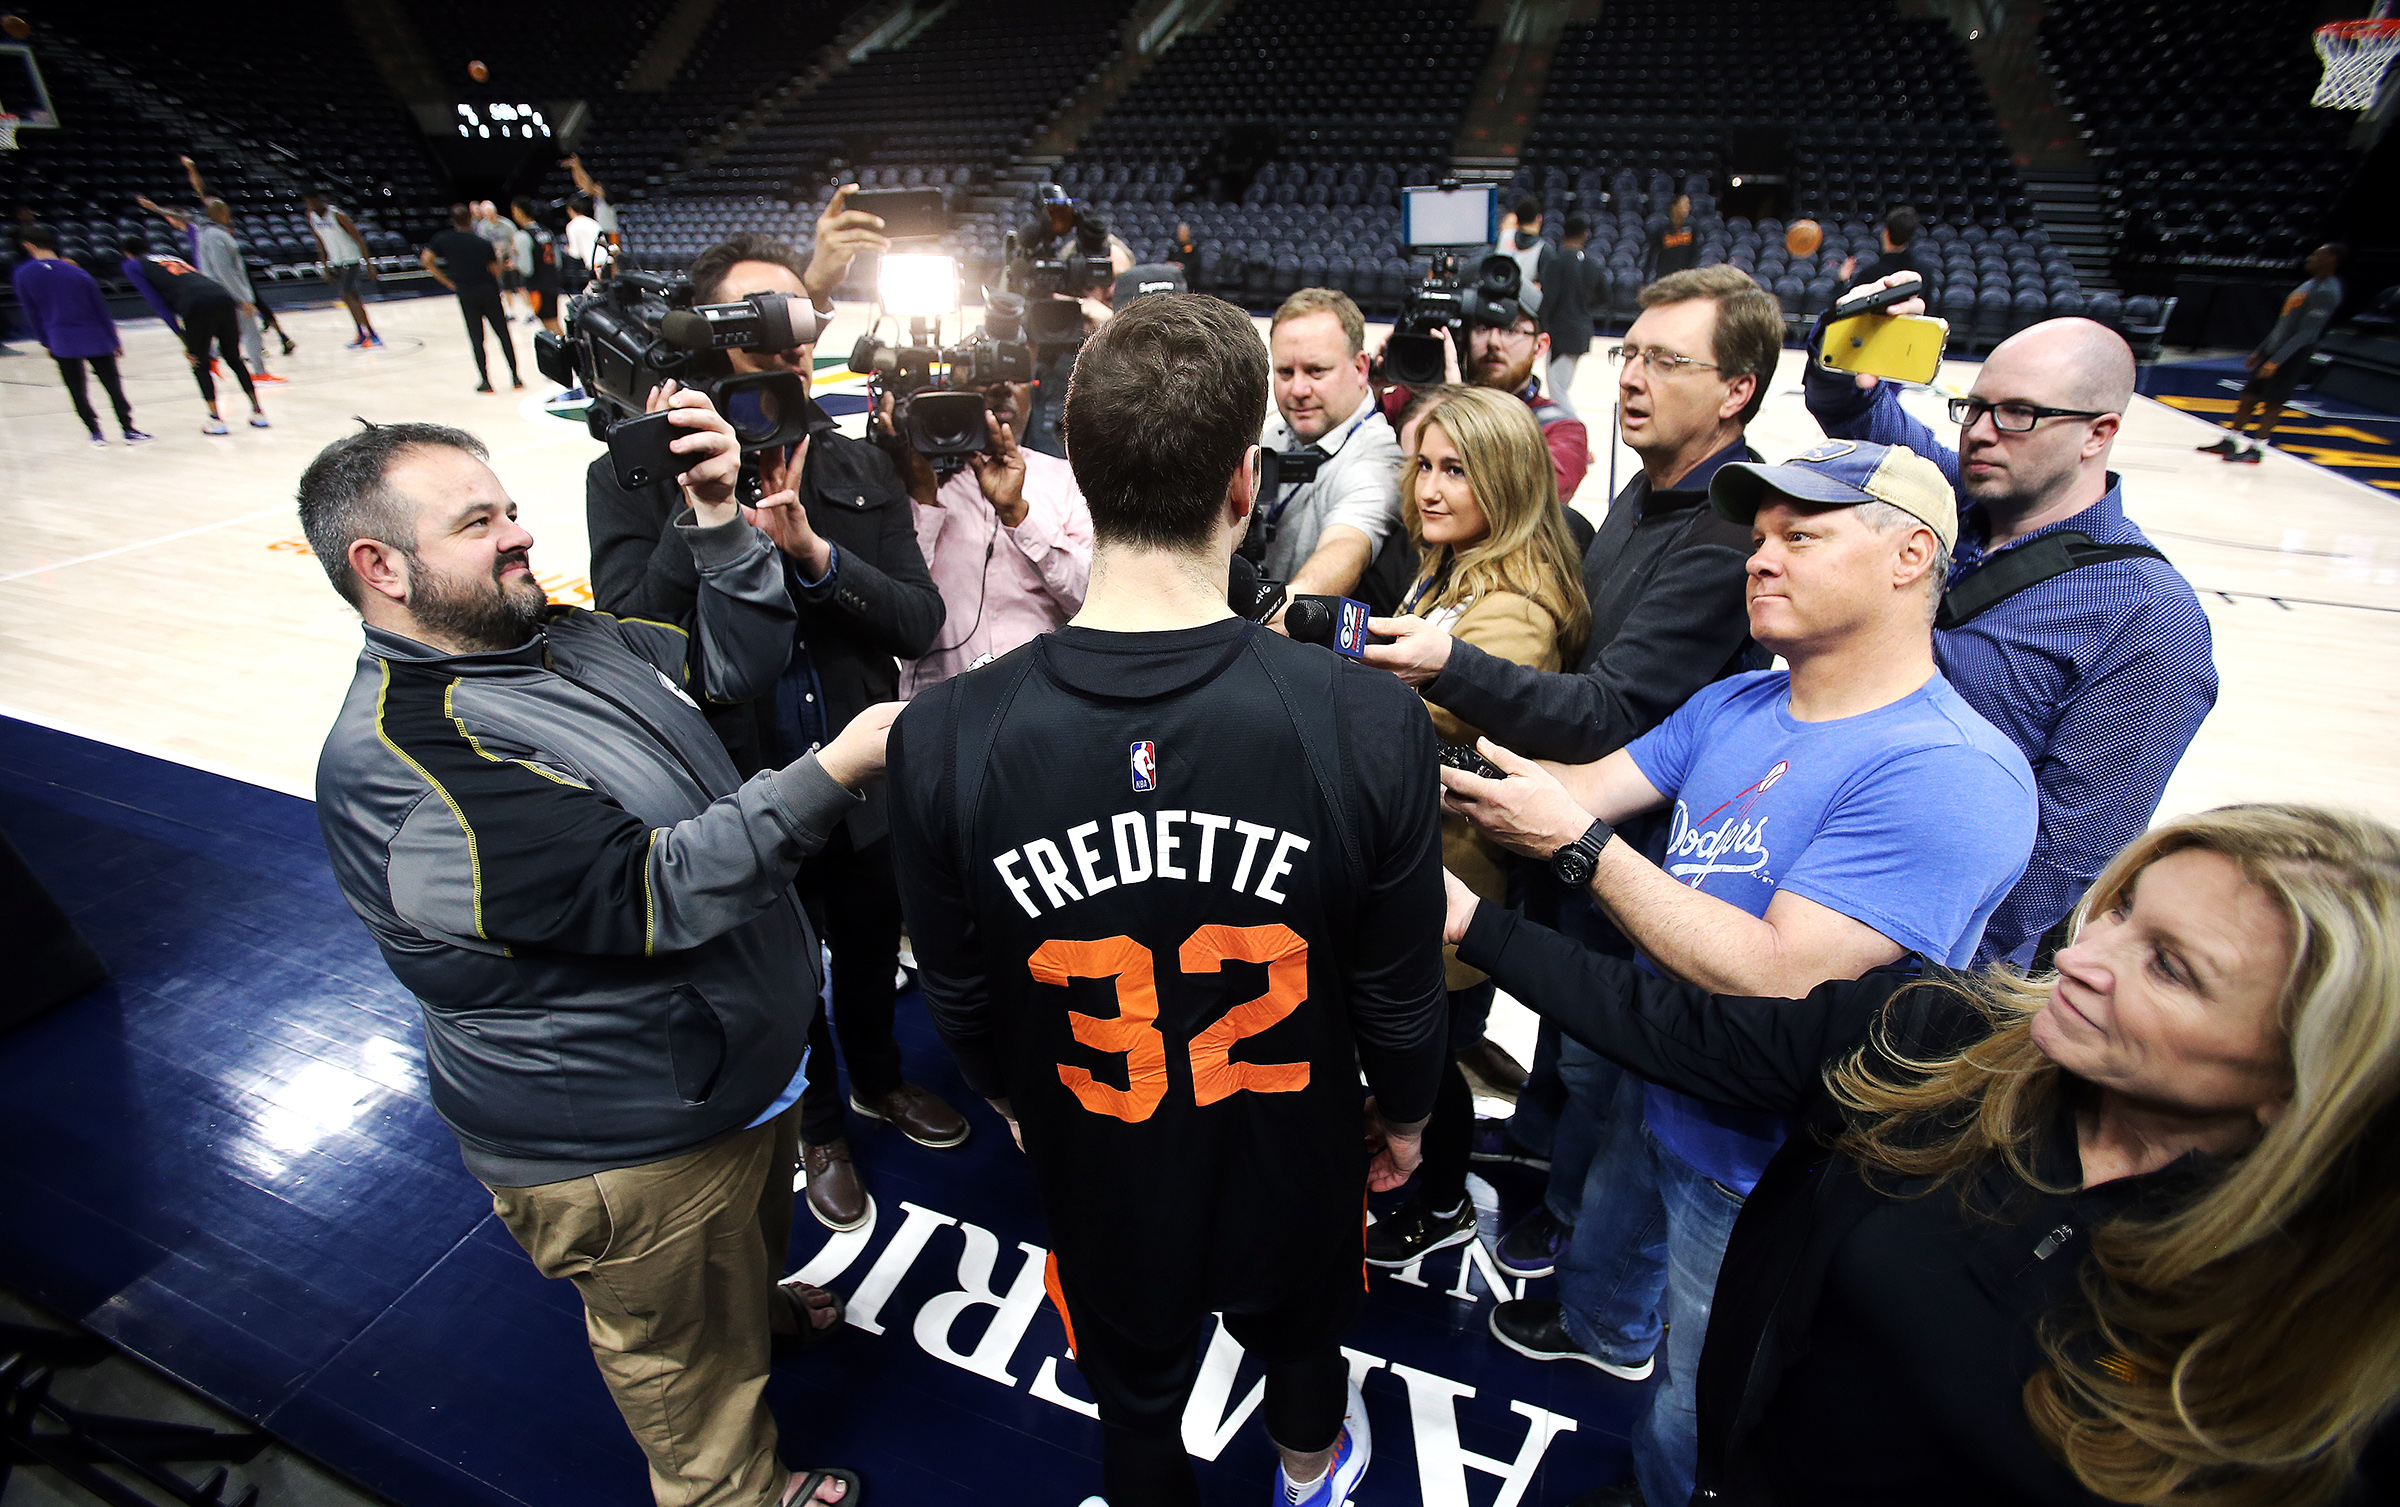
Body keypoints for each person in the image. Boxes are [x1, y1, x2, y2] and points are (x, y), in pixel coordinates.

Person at [887, 291, 1447, 1507]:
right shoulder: (1368, 717)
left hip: (1099, 1139)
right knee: (1302, 1352)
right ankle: (1313, 1480)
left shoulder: (939, 737)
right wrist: (1405, 1117)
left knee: (1137, 1394)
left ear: (1076, 474)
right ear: (1246, 481)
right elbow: (1399, 995)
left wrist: (1005, 1095)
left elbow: (961, 993)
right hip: (1293, 1146)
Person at [1441, 802, 2400, 1507]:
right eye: (2121, 910)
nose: (2079, 955)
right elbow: (1698, 1034)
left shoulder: (2306, 1318)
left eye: (2170, 967)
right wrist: (1473, 925)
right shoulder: (1948, 1037)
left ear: (2301, 1077)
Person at [1442, 438, 2038, 1506]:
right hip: (1658, 1066)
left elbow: (1778, 979)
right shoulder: (1737, 706)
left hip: (1768, 1157)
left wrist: (1575, 843)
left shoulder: (1951, 772)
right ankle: (1595, 1331)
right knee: (1614, 1254)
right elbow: (1586, 784)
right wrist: (1416, 760)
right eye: (1759, 537)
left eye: (1801, 536)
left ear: (1910, 557)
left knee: (1701, 1396)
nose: (1759, 559)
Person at [306, 402, 873, 1507]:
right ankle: (728, 1491)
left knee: (732, 1253)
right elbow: (648, 887)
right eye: (480, 522)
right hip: (628, 1139)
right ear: (381, 565)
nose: (520, 533)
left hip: (720, 1081)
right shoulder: (408, 762)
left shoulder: (559, 637)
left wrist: (716, 520)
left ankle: (749, 1308)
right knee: (671, 1350)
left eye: (511, 508)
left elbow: (728, 659)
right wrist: (837, 768)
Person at [1366, 265, 1779, 1258]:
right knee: (1557, 1036)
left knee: (1599, 1058)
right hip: (1556, 836)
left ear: (1738, 389)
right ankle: (1541, 1155)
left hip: (1632, 849)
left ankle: (1569, 1239)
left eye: (1667, 360)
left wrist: (1445, 661)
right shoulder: (1649, 491)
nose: (1632, 377)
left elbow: (1606, 708)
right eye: (1630, 353)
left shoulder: (1725, 530)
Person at [587, 228, 960, 1239]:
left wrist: (811, 552)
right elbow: (633, 639)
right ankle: (822, 1129)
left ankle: (881, 1082)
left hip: (866, 782)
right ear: (708, 340)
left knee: (872, 950)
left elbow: (919, 622)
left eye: (799, 317)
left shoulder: (854, 458)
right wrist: (700, 514)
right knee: (786, 983)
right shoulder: (629, 475)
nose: (791, 338)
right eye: (759, 321)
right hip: (740, 791)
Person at [1807, 281, 2218, 968]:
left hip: (1922, 956)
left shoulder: (2150, 619)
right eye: (1975, 408)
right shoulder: (1956, 502)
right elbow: (1854, 405)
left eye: (2020, 413)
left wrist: (1911, 972)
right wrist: (1845, 343)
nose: (1983, 432)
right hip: (1820, 867)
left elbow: (2066, 859)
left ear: (2099, 432)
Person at [1361, 385, 1589, 1268]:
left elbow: (1459, 721)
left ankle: (1444, 1199)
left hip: (1456, 879)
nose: (1430, 487)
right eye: (1424, 464)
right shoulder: (1459, 562)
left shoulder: (1518, 600)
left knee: (1433, 1061)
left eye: (1456, 470)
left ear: (1506, 477)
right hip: (1422, 858)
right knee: (1410, 1050)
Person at [885, 372, 1092, 695]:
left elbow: (1088, 598)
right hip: (939, 708)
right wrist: (923, 499)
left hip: (1042, 703)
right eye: (986, 376)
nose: (1003, 385)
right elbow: (892, 610)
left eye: (1017, 375)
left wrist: (1018, 516)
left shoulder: (1067, 479)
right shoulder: (909, 478)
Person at [1256, 287, 1406, 600]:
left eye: (1316, 371)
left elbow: (1347, 548)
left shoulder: (1379, 457)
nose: (1298, 389)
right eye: (1285, 372)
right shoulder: (1274, 435)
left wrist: (1280, 613)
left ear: (1360, 368)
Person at [2201, 242, 2348, 463]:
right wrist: (2262, 351)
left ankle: (2257, 448)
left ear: (2331, 260)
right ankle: (2231, 439)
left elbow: (2306, 333)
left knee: (2273, 402)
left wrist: (2277, 360)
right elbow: (2285, 323)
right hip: (2274, 351)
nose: (2310, 258)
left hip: (2292, 354)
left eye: (2317, 255)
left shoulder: (2328, 291)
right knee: (2248, 396)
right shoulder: (2309, 285)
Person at [11, 224, 148, 445]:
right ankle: (128, 429)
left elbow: (32, 312)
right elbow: (100, 308)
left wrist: (45, 341)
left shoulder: (23, 275)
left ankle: (95, 433)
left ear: (28, 245)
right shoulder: (77, 272)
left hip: (60, 338)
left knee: (76, 389)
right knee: (113, 385)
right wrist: (113, 339)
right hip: (95, 334)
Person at [119, 237, 269, 436]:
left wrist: (182, 337)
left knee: (199, 362)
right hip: (222, 296)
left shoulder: (132, 265)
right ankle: (258, 412)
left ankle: (216, 419)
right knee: (234, 357)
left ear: (127, 253)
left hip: (195, 304)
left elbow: (156, 302)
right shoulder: (168, 256)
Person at [136, 186, 280, 382]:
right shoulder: (215, 235)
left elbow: (183, 214)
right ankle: (258, 371)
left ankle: (214, 360)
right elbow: (225, 270)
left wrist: (154, 208)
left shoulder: (202, 227)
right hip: (228, 290)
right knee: (248, 330)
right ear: (219, 213)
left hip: (211, 288)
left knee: (218, 330)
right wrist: (243, 298)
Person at [1465, 288, 1590, 503]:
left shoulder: (1562, 430)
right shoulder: (1426, 399)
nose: (1493, 341)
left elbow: (1532, 502)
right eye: (1482, 327)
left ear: (1539, 346)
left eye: (1511, 330)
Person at [172, 155, 296, 356]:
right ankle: (277, 338)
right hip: (225, 266)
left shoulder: (207, 222)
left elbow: (199, 189)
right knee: (252, 303)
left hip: (226, 268)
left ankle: (257, 345)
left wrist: (192, 169)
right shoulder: (211, 222)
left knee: (241, 305)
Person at [420, 204, 521, 392]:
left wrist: (447, 282)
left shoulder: (443, 239)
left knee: (476, 337)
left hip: (465, 292)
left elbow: (426, 259)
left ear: (453, 221)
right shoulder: (482, 243)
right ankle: (515, 377)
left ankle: (485, 380)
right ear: (470, 220)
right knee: (503, 334)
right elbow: (496, 271)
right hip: (488, 291)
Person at [302, 190, 380, 348]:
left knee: (347, 294)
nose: (311, 205)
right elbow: (320, 243)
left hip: (351, 259)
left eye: (312, 201)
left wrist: (369, 264)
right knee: (351, 298)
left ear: (319, 199)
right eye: (308, 203)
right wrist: (325, 266)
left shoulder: (337, 215)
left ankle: (370, 334)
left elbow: (358, 238)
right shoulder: (312, 217)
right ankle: (364, 333)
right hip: (336, 262)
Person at [1541, 214, 1599, 417]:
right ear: (1584, 236)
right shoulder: (1592, 264)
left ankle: (1574, 429)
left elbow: (1549, 299)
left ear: (1563, 235)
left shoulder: (1557, 263)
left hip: (1561, 334)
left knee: (1557, 390)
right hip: (1582, 331)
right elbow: (1606, 296)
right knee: (1560, 387)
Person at [1838, 204, 1924, 297]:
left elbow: (1845, 305)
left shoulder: (1870, 275)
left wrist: (1843, 281)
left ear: (1886, 233)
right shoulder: (1924, 273)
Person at [510, 197, 564, 338]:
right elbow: (557, 262)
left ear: (520, 212)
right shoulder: (546, 231)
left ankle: (568, 355)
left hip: (538, 286)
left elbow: (526, 269)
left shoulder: (522, 235)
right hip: (552, 281)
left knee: (550, 325)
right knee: (554, 321)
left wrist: (514, 257)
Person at [472, 199, 522, 320]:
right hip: (492, 261)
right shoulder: (482, 226)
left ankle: (526, 311)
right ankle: (506, 311)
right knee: (499, 288)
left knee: (515, 286)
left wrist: (512, 259)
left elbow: (516, 241)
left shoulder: (507, 225)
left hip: (507, 259)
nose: (489, 216)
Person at [1645, 193, 1698, 281]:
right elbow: (1651, 256)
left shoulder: (1692, 229)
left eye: (1688, 204)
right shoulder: (1662, 230)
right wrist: (1645, 280)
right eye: (1684, 204)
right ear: (1674, 206)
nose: (1688, 208)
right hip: (1665, 277)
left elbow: (1695, 254)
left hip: (1684, 277)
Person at [562, 193, 605, 291]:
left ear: (570, 210)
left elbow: (575, 252)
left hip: (595, 265)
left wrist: (567, 250)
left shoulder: (572, 226)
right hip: (607, 261)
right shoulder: (593, 222)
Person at [1168, 220, 1200, 285]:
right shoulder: (1174, 247)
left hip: (1189, 277)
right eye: (1179, 232)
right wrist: (1173, 264)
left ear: (1188, 233)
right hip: (1174, 275)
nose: (1181, 234)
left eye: (1183, 232)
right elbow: (1168, 260)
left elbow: (1194, 264)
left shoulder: (1193, 247)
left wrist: (1182, 266)